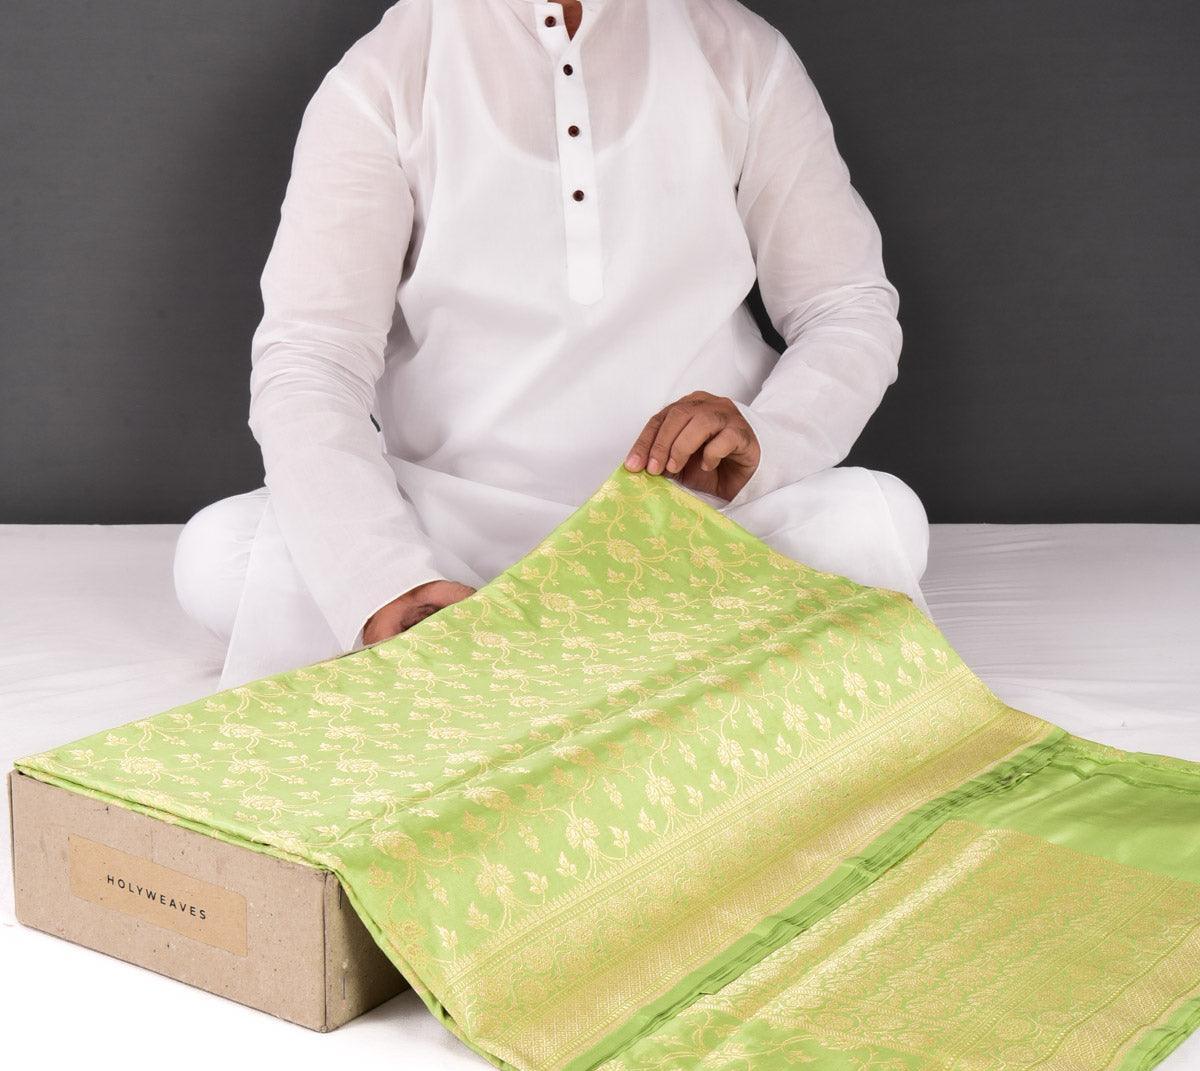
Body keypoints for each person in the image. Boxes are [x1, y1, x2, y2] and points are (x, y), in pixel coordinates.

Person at [174, 0, 931, 690]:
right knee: (216, 557)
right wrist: (388, 581)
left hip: (696, 524)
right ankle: (516, 628)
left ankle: (513, 654)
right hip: (456, 531)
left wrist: (770, 437)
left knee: (878, 521)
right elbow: (311, 358)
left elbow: (847, 305)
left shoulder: (740, 53)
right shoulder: (385, 76)